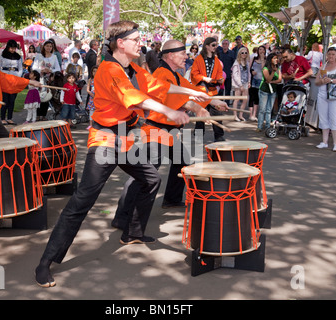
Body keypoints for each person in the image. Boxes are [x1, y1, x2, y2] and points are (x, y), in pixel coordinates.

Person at [34, 21, 211, 288]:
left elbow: (158, 86)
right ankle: (44, 263)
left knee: (151, 179)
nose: (140, 43)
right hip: (105, 141)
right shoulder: (109, 69)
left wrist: (195, 94)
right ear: (121, 43)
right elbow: (135, 98)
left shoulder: (133, 68)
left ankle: (132, 233)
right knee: (82, 201)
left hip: (126, 140)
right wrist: (170, 112)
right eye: (136, 39)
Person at [111, 40, 228, 228]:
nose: (186, 57)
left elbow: (192, 89)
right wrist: (198, 109)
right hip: (156, 131)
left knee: (182, 161)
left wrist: (214, 102)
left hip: (170, 130)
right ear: (170, 55)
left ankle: (172, 199)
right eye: (182, 53)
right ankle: (122, 216)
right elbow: (179, 99)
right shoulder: (161, 74)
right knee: (144, 174)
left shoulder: (175, 74)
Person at [191, 37, 225, 141]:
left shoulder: (216, 60)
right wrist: (204, 78)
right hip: (201, 89)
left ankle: (219, 136)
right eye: (213, 45)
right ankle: (198, 136)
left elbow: (220, 73)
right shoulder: (198, 59)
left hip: (212, 90)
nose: (215, 47)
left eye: (216, 45)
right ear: (207, 46)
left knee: (217, 113)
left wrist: (220, 79)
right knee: (201, 114)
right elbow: (194, 73)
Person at [315, 47, 336, 152]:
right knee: (323, 117)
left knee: (334, 117)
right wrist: (323, 81)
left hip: (334, 95)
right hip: (322, 94)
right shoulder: (324, 66)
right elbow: (317, 82)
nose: (331, 56)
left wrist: (332, 80)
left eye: (333, 54)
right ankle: (324, 142)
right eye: (329, 54)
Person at [32, 39, 61, 120]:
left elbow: (58, 68)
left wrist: (51, 70)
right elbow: (34, 67)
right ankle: (37, 115)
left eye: (50, 46)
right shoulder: (39, 56)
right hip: (40, 78)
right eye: (47, 46)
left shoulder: (54, 57)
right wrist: (41, 70)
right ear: (44, 46)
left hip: (49, 79)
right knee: (38, 96)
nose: (49, 48)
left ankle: (43, 115)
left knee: (47, 96)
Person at [0, 40, 23, 125]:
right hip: (5, 78)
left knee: (12, 100)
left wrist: (17, 78)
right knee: (5, 99)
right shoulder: (2, 55)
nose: (12, 50)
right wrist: (1, 78)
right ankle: (2, 118)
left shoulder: (18, 57)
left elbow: (20, 68)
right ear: (8, 47)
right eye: (11, 48)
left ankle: (9, 117)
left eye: (14, 48)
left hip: (14, 78)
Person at [256, 52, 283, 132]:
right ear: (270, 59)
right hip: (264, 90)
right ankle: (259, 126)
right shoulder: (265, 69)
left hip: (273, 90)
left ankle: (268, 126)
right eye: (274, 58)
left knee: (269, 109)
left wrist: (272, 82)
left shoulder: (278, 68)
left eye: (276, 58)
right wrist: (273, 72)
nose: (276, 60)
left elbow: (280, 80)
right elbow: (268, 79)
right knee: (262, 109)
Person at [231, 47, 251, 121]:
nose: (244, 54)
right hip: (238, 83)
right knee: (237, 99)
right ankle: (235, 115)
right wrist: (240, 85)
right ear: (239, 53)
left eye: (246, 53)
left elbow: (249, 73)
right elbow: (235, 75)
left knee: (245, 99)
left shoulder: (247, 62)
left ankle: (241, 115)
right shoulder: (236, 63)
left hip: (245, 82)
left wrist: (249, 81)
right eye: (242, 53)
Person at [249, 45, 266, 121]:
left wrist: (262, 59)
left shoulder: (265, 59)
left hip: (260, 80)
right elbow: (249, 67)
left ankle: (254, 114)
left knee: (257, 98)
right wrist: (252, 71)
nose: (261, 51)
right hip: (253, 79)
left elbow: (263, 69)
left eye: (262, 50)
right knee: (251, 97)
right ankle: (250, 115)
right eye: (260, 49)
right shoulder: (254, 58)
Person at [217, 39, 236, 105]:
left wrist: (233, 72)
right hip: (220, 75)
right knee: (220, 90)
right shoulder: (219, 53)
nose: (224, 45)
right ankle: (220, 103)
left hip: (228, 75)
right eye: (223, 44)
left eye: (226, 44)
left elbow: (234, 64)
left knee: (228, 90)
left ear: (228, 45)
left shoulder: (232, 53)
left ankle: (227, 104)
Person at [86, 65, 98, 130]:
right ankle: (91, 124)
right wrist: (92, 95)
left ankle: (97, 124)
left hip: (99, 97)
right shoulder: (90, 80)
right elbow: (88, 90)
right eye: (94, 71)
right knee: (91, 111)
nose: (95, 73)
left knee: (98, 111)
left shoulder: (101, 79)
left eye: (96, 71)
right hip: (92, 97)